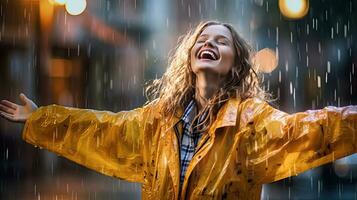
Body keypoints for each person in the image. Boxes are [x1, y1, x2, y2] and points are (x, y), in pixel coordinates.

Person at [0, 21, 356, 200]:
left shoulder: (252, 124)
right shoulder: (157, 120)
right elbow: (102, 130)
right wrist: (40, 118)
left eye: (221, 40)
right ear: (189, 58)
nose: (208, 42)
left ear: (236, 65)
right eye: (202, 38)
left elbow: (311, 128)